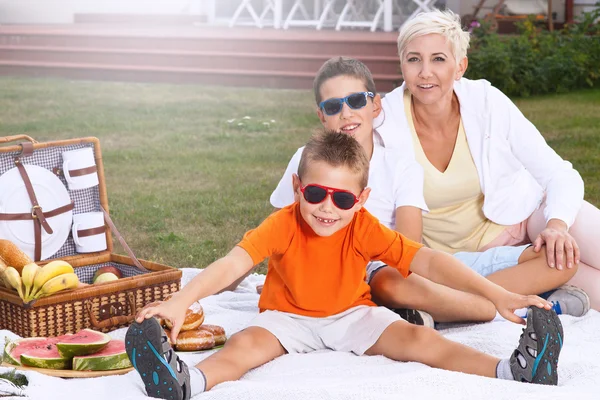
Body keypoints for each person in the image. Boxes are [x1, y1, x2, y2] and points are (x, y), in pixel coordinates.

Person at [126, 131, 563, 400]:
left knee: (418, 339)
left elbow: (428, 260)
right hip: (286, 318)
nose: (327, 208)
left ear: (362, 200)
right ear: (297, 188)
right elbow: (232, 262)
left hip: (352, 314)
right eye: (316, 193)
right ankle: (186, 384)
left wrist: (497, 294)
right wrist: (183, 300)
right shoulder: (282, 223)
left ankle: (513, 371)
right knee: (242, 350)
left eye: (343, 198)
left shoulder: (365, 228)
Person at [269, 56, 587, 323]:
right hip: (374, 276)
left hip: (410, 265)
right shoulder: (305, 159)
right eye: (333, 105)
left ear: (376, 106)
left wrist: (429, 283)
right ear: (321, 115)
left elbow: (410, 247)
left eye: (355, 101)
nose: (347, 113)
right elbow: (281, 230)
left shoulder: (400, 165)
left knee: (559, 260)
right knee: (392, 286)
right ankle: (485, 307)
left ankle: (445, 308)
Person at [372, 8, 600, 309]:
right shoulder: (384, 121)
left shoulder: (485, 100)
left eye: (438, 59)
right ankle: (510, 296)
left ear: (460, 66)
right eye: (414, 59)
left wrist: (556, 225)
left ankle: (455, 305)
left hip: (525, 218)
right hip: (455, 262)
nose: (425, 71)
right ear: (402, 64)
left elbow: (559, 173)